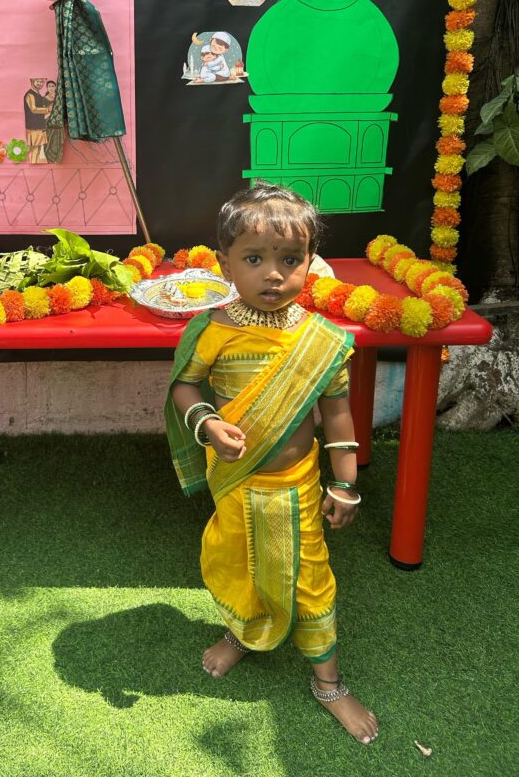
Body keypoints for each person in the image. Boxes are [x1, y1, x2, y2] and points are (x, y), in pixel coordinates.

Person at [166, 182, 378, 745]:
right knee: (240, 562)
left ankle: (328, 682)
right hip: (235, 483)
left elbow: (337, 415)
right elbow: (184, 387)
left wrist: (347, 485)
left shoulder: (321, 341)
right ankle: (241, 635)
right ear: (225, 263)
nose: (273, 275)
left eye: (289, 260)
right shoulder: (212, 329)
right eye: (254, 259)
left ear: (311, 261)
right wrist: (208, 424)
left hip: (297, 485)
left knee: (310, 575)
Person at [24, 77, 50, 164]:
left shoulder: (38, 94)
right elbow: (34, 109)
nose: (40, 83)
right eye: (37, 81)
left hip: (39, 125)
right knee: (34, 148)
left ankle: (34, 163)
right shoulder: (30, 94)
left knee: (38, 147)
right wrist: (47, 109)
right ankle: (32, 162)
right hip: (33, 126)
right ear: (32, 82)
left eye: (41, 82)